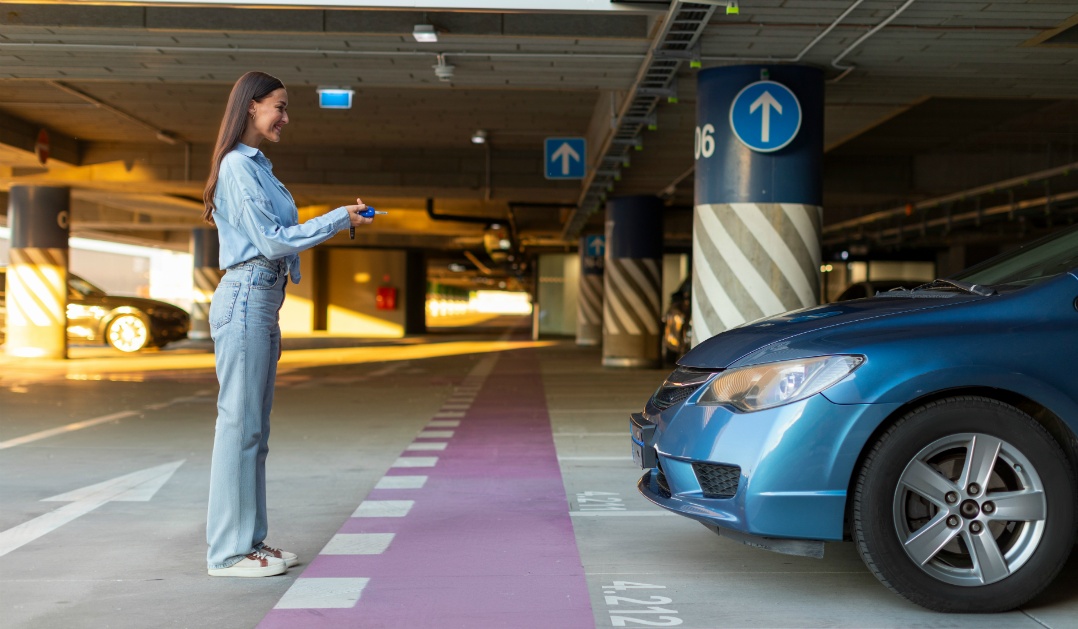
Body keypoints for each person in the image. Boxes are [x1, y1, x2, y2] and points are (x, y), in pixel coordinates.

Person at [201, 71, 373, 577]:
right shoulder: (237, 166)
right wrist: (339, 217)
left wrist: (339, 220)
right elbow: (273, 240)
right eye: (279, 106)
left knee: (254, 431)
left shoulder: (258, 168)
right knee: (239, 429)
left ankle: (250, 542)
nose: (285, 117)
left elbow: (277, 240)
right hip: (247, 298)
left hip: (262, 301)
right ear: (251, 107)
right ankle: (228, 553)